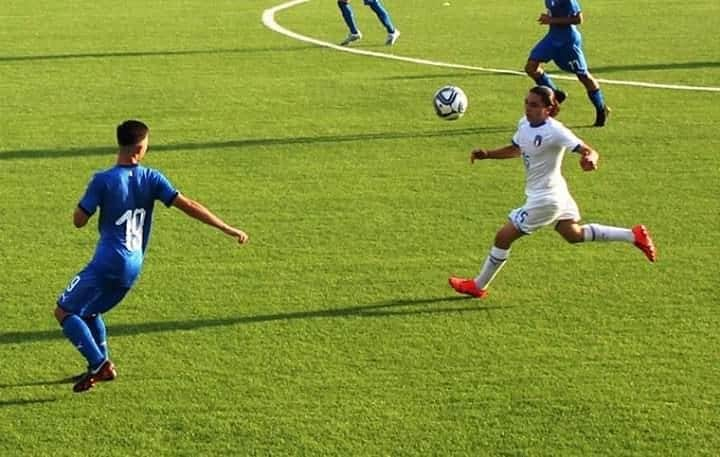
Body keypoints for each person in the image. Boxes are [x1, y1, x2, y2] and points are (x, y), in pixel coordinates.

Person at [54, 120, 249, 393]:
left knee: (64, 310)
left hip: (108, 261)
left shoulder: (103, 180)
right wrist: (228, 229)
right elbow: (189, 206)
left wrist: (88, 204)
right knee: (90, 310)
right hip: (133, 264)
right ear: (140, 148)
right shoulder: (153, 178)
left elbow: (78, 220)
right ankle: (99, 364)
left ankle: (99, 365)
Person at [449, 86, 655, 299]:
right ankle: (633, 235)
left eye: (535, 105)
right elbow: (517, 148)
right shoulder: (524, 123)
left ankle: (478, 285)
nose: (528, 108)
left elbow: (588, 150)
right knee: (572, 234)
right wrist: (488, 154)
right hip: (557, 192)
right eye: (527, 102)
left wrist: (590, 159)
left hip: (547, 199)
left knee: (503, 237)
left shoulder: (555, 131)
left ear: (548, 109)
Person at [525, 0, 611, 127]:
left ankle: (601, 108)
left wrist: (551, 20)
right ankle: (556, 93)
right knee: (531, 67)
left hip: (568, 41)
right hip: (553, 37)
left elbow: (578, 19)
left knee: (583, 76)